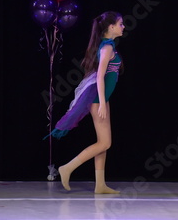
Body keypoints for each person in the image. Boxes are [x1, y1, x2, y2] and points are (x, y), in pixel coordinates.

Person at [46, 11, 125, 194]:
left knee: (103, 142)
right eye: (120, 24)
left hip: (102, 99)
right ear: (111, 27)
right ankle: (67, 168)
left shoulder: (108, 45)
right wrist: (103, 104)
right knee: (105, 143)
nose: (123, 27)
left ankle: (100, 184)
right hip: (99, 100)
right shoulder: (107, 48)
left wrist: (105, 101)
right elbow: (99, 76)